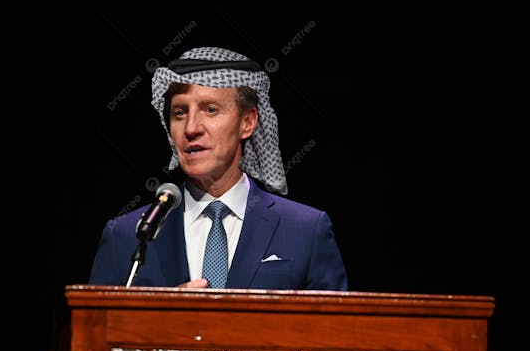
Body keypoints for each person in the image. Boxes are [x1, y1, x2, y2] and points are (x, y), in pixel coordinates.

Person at [88, 46, 348, 290]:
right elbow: (96, 336)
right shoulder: (127, 235)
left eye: (210, 109)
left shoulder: (305, 230)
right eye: (179, 112)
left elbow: (335, 335)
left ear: (247, 122)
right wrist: (164, 325)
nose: (191, 128)